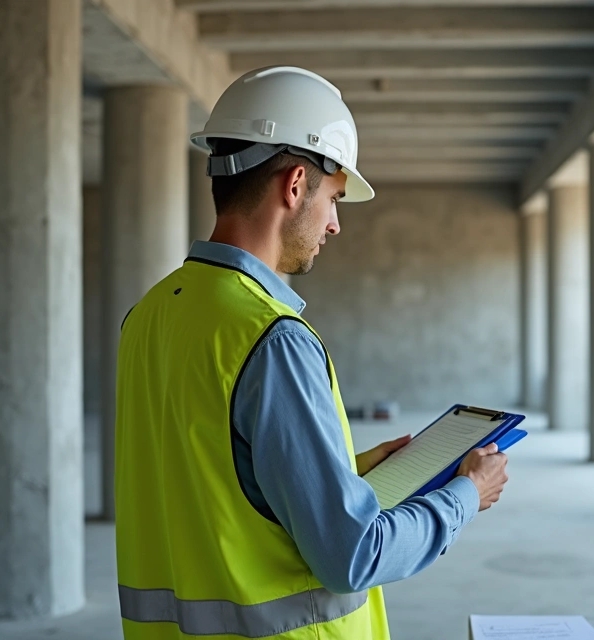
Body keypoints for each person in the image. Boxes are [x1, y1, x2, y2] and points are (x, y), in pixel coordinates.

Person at [113, 66, 511, 640]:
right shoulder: (272, 339)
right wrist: (465, 497)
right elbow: (353, 557)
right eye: (334, 198)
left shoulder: (149, 314)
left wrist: (342, 477)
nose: (335, 224)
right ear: (295, 183)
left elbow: (213, 485)